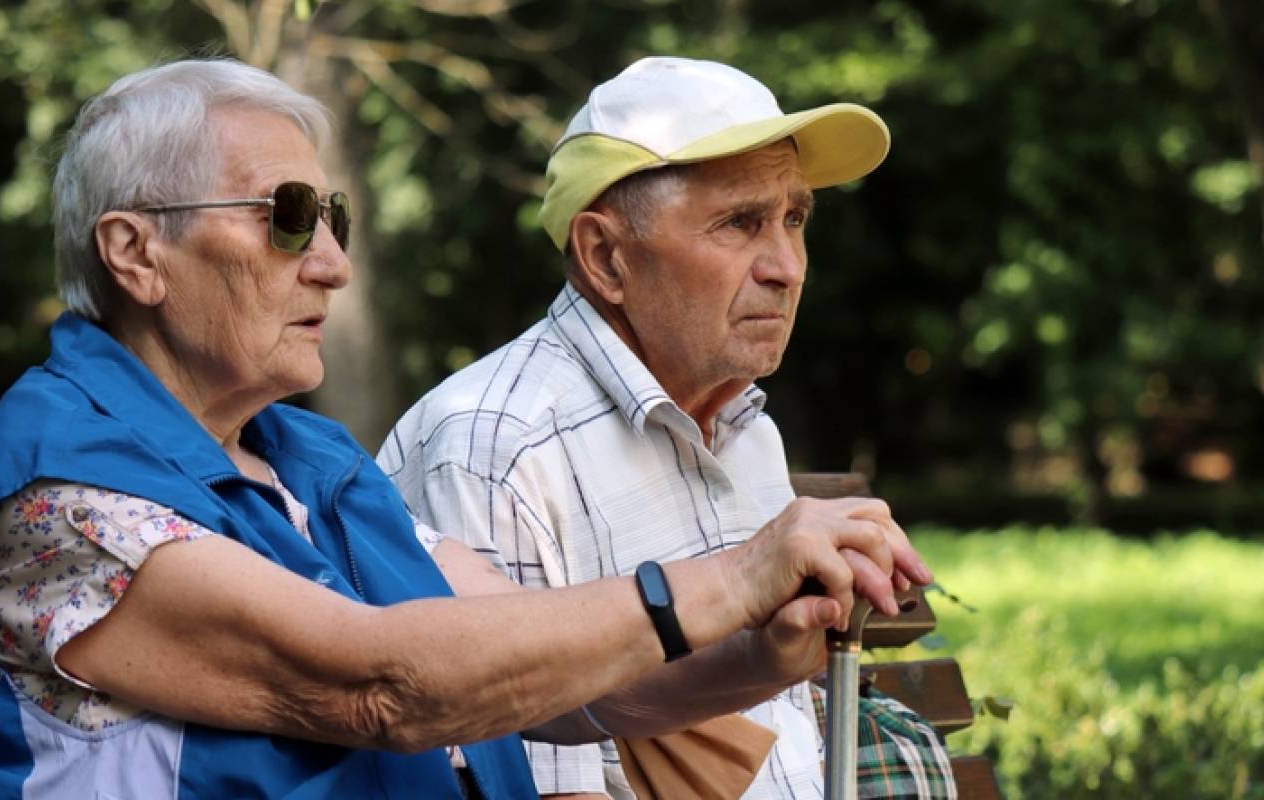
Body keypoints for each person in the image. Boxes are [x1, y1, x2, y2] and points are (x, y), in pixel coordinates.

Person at [0, 58, 929, 799]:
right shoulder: (43, 496)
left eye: (333, 217)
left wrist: (762, 653)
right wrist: (735, 577)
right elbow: (376, 681)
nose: (333, 262)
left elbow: (558, 684)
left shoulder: (307, 460)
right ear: (135, 253)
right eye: (288, 216)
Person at [378, 56, 954, 799]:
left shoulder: (743, 425)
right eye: (740, 223)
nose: (787, 266)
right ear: (605, 257)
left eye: (794, 219)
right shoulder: (494, 447)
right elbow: (545, 788)